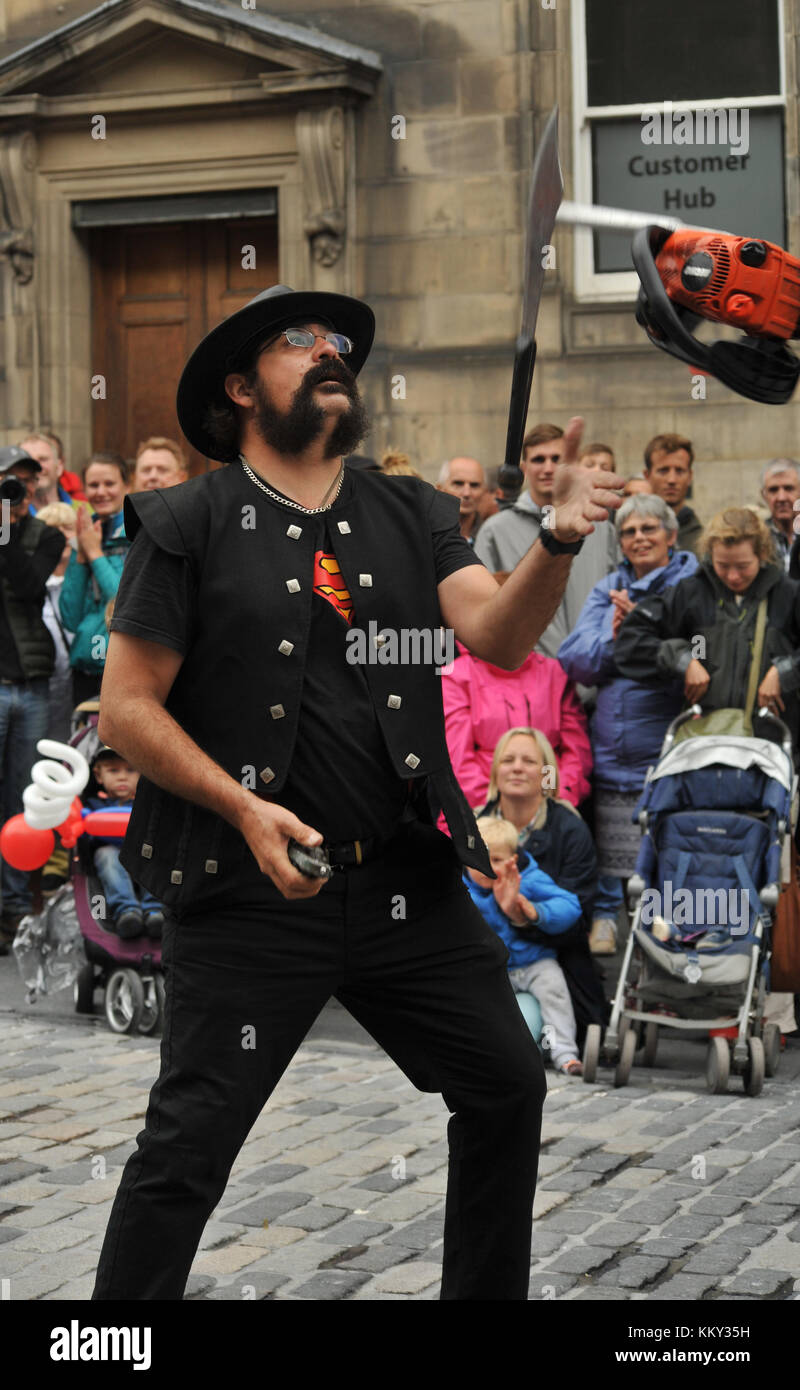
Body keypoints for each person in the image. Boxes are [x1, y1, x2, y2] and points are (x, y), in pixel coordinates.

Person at [90, 281, 623, 1303]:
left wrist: (553, 541)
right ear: (242, 386)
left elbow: (498, 635)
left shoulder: (405, 510)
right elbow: (127, 710)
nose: (331, 349)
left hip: (403, 888)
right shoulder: (186, 522)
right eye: (300, 340)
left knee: (505, 1084)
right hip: (248, 896)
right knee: (185, 1151)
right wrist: (244, 807)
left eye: (339, 339)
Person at [557, 495, 698, 955]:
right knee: (611, 851)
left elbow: (696, 653)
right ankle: (606, 924)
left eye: (649, 529)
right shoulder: (609, 586)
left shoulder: (691, 584)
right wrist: (615, 638)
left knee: (666, 850)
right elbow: (575, 660)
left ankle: (666, 939)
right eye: (630, 531)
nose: (639, 538)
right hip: (610, 748)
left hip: (665, 744)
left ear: (672, 536)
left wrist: (638, 635)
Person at [615, 507, 800, 744]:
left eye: (743, 566)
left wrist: (783, 671)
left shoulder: (788, 594)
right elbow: (632, 639)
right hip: (703, 743)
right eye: (723, 565)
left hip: (773, 744)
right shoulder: (690, 592)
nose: (733, 576)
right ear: (710, 554)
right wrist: (684, 660)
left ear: (762, 555)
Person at [477, 728, 606, 1045]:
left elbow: (579, 924)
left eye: (528, 761)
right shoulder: (476, 824)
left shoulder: (571, 830)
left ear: (546, 773)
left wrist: (524, 915)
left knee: (518, 1033)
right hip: (486, 964)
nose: (517, 767)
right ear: (496, 771)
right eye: (508, 759)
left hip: (552, 966)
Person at [474, 423, 619, 661]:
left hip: (595, 673)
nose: (548, 468)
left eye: (556, 458)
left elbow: (616, 593)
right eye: (539, 459)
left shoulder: (600, 526)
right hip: (528, 681)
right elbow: (484, 612)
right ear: (524, 468)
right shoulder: (495, 531)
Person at [0, 445, 64, 952]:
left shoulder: (47, 535)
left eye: (22, 484)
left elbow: (27, 587)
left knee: (24, 799)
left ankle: (17, 906)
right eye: (7, 482)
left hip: (31, 687)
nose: (14, 492)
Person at [465, 816, 584, 1075]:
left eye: (495, 860)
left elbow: (570, 906)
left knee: (555, 993)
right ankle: (473, 1052)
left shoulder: (529, 879)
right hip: (492, 969)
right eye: (478, 860)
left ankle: (565, 1053)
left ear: (513, 861)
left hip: (534, 962)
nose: (485, 867)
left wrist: (536, 911)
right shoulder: (463, 889)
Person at [442, 640, 592, 809]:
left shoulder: (555, 674)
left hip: (550, 807)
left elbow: (575, 755)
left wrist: (552, 802)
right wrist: (499, 808)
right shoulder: (459, 675)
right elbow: (458, 759)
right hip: (478, 811)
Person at [59, 451, 129, 706]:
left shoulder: (139, 532)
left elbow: (123, 603)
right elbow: (70, 617)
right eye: (93, 485)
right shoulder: (87, 532)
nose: (101, 492)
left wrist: (96, 554)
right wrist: (81, 556)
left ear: (126, 486)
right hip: (85, 670)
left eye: (109, 484)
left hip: (124, 671)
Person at [86, 745, 164, 939]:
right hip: (112, 858)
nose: (122, 777)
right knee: (106, 854)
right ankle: (127, 912)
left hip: (143, 855)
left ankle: (155, 911)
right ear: (98, 776)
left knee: (155, 853)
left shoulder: (148, 804)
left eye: (130, 770)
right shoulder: (94, 804)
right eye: (113, 771)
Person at [33, 501, 76, 743]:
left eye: (67, 528)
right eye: (52, 529)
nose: (61, 536)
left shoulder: (87, 584)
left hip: (77, 694)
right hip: (43, 696)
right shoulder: (30, 586)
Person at [642, 432, 702, 554]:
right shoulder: (631, 536)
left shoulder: (703, 543)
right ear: (647, 476)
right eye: (663, 470)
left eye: (679, 471)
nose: (672, 480)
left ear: (690, 476)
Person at [20, 430, 86, 512]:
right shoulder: (8, 511)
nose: (36, 467)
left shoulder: (85, 511)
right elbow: (5, 525)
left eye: (43, 459)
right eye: (29, 461)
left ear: (59, 466)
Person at [760, 457, 800, 574]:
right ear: (764, 495)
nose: (781, 497)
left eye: (789, 488)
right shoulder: (756, 538)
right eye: (773, 490)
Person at [437, 456, 487, 545]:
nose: (466, 493)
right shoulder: (426, 535)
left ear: (484, 491)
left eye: (474, 485)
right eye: (458, 484)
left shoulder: (491, 536)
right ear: (440, 489)